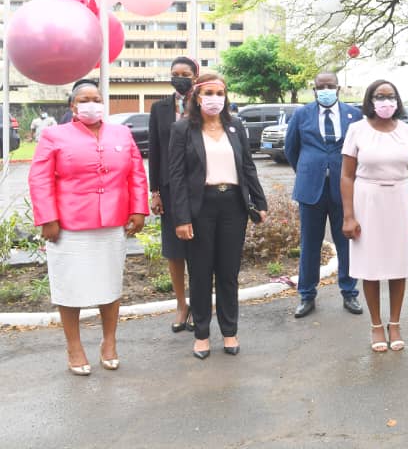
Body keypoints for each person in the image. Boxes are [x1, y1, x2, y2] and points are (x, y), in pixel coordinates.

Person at [28, 81, 148, 375]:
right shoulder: (54, 135)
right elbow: (39, 178)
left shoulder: (121, 133)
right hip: (68, 226)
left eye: (97, 99)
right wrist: (48, 218)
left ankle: (109, 342)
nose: (92, 104)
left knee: (109, 284)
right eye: (85, 100)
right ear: (73, 107)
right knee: (70, 287)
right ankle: (74, 347)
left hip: (112, 223)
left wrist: (138, 209)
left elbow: (135, 173)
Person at [169, 72, 268, 360]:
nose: (214, 99)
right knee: (200, 274)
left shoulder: (235, 126)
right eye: (208, 93)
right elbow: (176, 177)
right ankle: (201, 334)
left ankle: (229, 331)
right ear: (197, 98)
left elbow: (248, 167)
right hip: (200, 208)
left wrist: (259, 202)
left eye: (220, 93)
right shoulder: (183, 129)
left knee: (228, 274)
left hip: (232, 207)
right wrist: (181, 218)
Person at [341, 80, 408, 352]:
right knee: (371, 267)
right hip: (368, 200)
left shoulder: (406, 131)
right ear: (370, 100)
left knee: (398, 266)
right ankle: (376, 325)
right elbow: (347, 175)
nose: (386, 102)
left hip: (399, 200)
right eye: (380, 96)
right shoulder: (357, 130)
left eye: (391, 97)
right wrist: (349, 216)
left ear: (398, 101)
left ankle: (395, 323)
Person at [285, 72, 364, 319]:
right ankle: (307, 295)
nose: (326, 90)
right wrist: (309, 169)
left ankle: (349, 292)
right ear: (314, 89)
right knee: (310, 243)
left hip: (345, 188)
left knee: (347, 242)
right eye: (321, 87)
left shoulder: (355, 115)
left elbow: (361, 149)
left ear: (338, 88)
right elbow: (291, 149)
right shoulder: (301, 114)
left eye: (330, 86)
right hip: (311, 188)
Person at [149, 56, 200, 334]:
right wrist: (155, 191)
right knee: (174, 251)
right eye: (175, 73)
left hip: (199, 187)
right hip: (169, 189)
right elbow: (154, 152)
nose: (180, 77)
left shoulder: (204, 103)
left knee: (199, 249)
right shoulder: (159, 109)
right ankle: (182, 305)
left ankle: (199, 303)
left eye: (185, 73)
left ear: (195, 76)